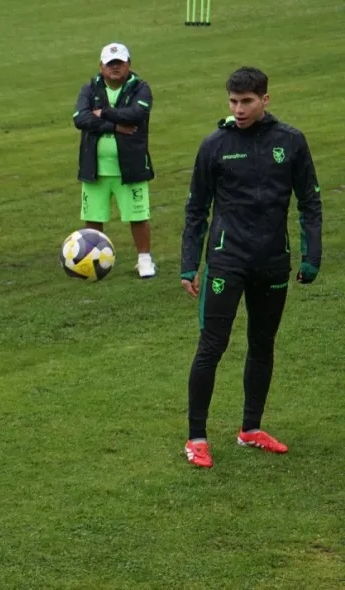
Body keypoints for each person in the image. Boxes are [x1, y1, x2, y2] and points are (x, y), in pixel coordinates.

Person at [180, 67, 322, 468]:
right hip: (227, 260)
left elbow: (309, 202)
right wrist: (189, 264)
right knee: (212, 347)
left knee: (262, 345)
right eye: (232, 101)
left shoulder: (290, 142)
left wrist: (313, 256)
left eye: (246, 101)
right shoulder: (215, 145)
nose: (238, 109)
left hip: (273, 262)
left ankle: (250, 429)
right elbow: (196, 210)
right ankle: (196, 438)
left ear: (265, 100)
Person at [72, 42, 157, 278]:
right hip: (95, 167)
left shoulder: (140, 87)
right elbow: (80, 118)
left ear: (128, 64)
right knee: (93, 216)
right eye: (110, 64)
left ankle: (144, 260)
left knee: (138, 216)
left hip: (130, 166)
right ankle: (92, 260)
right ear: (101, 66)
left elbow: (137, 114)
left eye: (119, 63)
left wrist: (103, 113)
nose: (115, 68)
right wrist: (116, 126)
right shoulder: (90, 87)